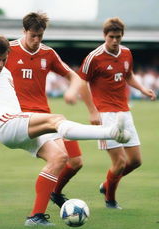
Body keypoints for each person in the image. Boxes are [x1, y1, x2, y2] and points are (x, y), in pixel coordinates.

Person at [0, 34, 130, 226]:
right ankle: (111, 132)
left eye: (4, 59)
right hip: (5, 124)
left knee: (59, 158)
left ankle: (36, 217)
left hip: (17, 126)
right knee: (57, 119)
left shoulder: (6, 73)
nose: (0, 64)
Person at [65, 17, 156, 209]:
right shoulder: (94, 57)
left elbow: (128, 75)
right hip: (105, 115)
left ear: (122, 36)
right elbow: (81, 82)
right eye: (111, 37)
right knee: (120, 162)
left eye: (118, 37)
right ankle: (110, 199)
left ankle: (107, 184)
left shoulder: (126, 53)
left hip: (124, 112)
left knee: (135, 161)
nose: (115, 41)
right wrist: (92, 112)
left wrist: (142, 89)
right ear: (104, 35)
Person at [5, 12, 84, 209]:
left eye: (40, 36)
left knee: (76, 162)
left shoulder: (48, 53)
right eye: (33, 35)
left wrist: (72, 92)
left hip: (46, 117)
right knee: (59, 157)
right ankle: (36, 215)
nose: (36, 40)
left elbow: (74, 77)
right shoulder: (8, 50)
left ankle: (54, 193)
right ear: (24, 31)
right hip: (22, 118)